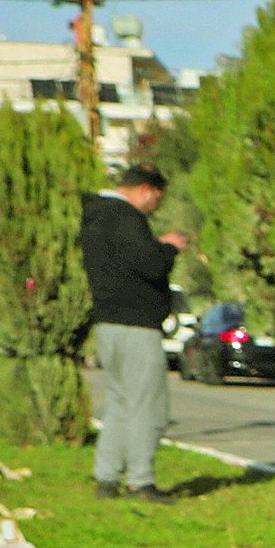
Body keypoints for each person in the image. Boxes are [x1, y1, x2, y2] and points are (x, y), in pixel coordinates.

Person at [81, 162, 187, 500]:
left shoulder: (96, 215)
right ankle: (141, 480)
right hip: (136, 325)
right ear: (147, 191)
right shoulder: (124, 217)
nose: (156, 208)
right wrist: (168, 246)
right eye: (157, 200)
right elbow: (149, 264)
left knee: (119, 402)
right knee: (146, 406)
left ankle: (106, 477)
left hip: (108, 323)